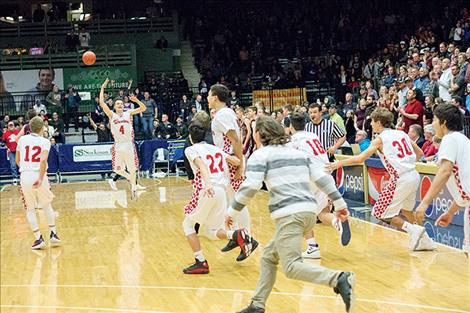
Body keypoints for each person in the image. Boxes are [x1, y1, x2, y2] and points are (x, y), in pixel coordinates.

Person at [227, 116, 354, 313]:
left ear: (259, 134)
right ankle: (257, 305)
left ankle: (338, 278)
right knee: (268, 257)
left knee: (291, 267)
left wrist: (232, 211)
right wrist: (340, 203)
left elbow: (250, 187)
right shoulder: (298, 153)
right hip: (308, 212)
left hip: (290, 214)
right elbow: (322, 178)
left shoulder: (260, 155)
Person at [328, 108, 436, 252]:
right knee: (407, 210)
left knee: (379, 212)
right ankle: (426, 240)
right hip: (413, 174)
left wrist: (339, 163)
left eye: (372, 121)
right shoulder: (401, 133)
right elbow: (420, 153)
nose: (371, 124)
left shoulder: (379, 139)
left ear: (378, 122)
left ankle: (413, 231)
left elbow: (360, 158)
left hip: (400, 178)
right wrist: (405, 162)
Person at [182, 124, 255, 274]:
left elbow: (201, 166)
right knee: (212, 231)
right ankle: (236, 234)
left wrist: (208, 183)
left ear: (190, 137)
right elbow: (236, 161)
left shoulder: (191, 149)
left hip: (207, 189)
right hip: (221, 191)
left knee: (188, 225)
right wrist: (240, 168)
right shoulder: (216, 149)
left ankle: (200, 261)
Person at [288, 112, 351, 259]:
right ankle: (337, 222)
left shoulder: (292, 140)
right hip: (326, 175)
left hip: (310, 178)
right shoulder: (314, 136)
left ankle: (312, 246)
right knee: (321, 214)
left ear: (291, 126)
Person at [415, 104, 470, 255]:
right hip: (467, 206)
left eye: (434, 119)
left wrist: (425, 202)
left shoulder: (450, 139)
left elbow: (445, 171)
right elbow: (465, 186)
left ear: (443, 122)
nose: (432, 124)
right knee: (467, 251)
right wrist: (451, 212)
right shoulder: (463, 139)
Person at [208, 84, 253, 253]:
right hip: (228, 162)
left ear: (215, 97)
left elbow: (235, 140)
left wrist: (240, 165)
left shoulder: (222, 115)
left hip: (232, 163)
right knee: (230, 202)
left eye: (209, 95)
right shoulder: (226, 113)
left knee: (237, 202)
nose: (207, 98)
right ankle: (237, 236)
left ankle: (247, 239)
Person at [16, 116, 61, 249]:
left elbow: (18, 160)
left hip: (25, 175)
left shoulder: (22, 139)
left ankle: (38, 238)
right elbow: (43, 160)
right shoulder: (45, 141)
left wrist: (26, 170)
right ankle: (53, 234)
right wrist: (40, 178)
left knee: (30, 208)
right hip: (40, 175)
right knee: (46, 205)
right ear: (42, 128)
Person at [99, 78, 146, 199]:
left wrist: (136, 100)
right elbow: (102, 104)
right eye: (117, 104)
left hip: (129, 144)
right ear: (114, 106)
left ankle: (134, 187)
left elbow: (143, 109)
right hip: (118, 145)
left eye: (121, 103)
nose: (119, 105)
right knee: (117, 169)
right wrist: (103, 88)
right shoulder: (112, 115)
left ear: (123, 105)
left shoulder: (128, 112)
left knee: (133, 169)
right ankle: (131, 180)